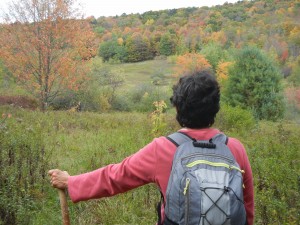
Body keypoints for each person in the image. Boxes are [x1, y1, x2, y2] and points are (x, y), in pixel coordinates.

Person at [49, 70, 254, 225]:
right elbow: (247, 210)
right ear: (215, 107)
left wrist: (71, 182)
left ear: (177, 107)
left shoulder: (162, 149)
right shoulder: (235, 149)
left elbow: (114, 177)